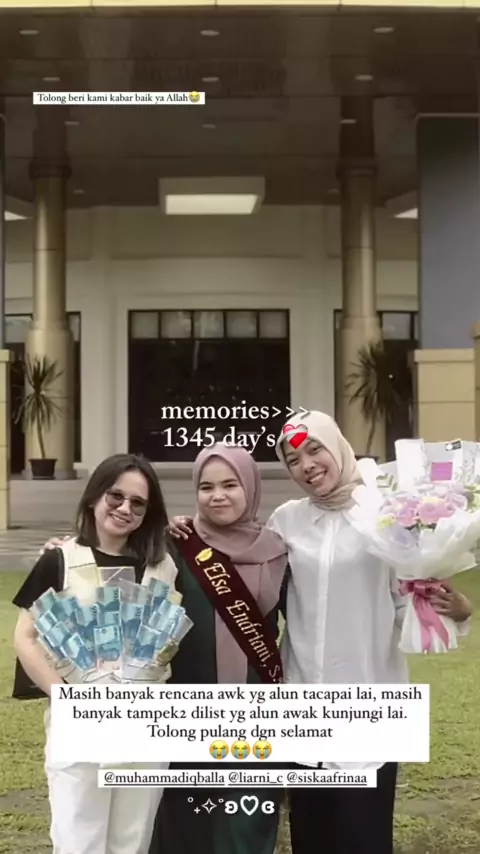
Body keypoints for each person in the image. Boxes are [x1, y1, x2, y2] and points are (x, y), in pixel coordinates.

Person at [170, 413, 472, 854]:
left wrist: (454, 610)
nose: (306, 465)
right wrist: (187, 531)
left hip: (367, 702)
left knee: (363, 837)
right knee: (311, 836)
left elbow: (407, 602)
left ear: (338, 447)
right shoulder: (287, 520)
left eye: (315, 450)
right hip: (303, 704)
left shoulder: (387, 515)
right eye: (293, 460)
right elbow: (240, 557)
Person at [40, 444, 290, 854]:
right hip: (179, 708)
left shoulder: (280, 551)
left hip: (252, 710)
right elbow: (111, 559)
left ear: (251, 486)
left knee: (246, 824)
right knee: (179, 824)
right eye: (206, 486)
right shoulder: (174, 547)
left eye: (230, 485)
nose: (218, 495)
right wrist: (66, 550)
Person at [13, 453, 179, 854]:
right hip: (80, 722)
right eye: (115, 496)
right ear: (94, 497)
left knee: (132, 841)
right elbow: (25, 637)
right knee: (78, 841)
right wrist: (66, 698)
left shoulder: (163, 566)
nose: (124, 509)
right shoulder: (60, 560)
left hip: (145, 723)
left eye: (138, 503)